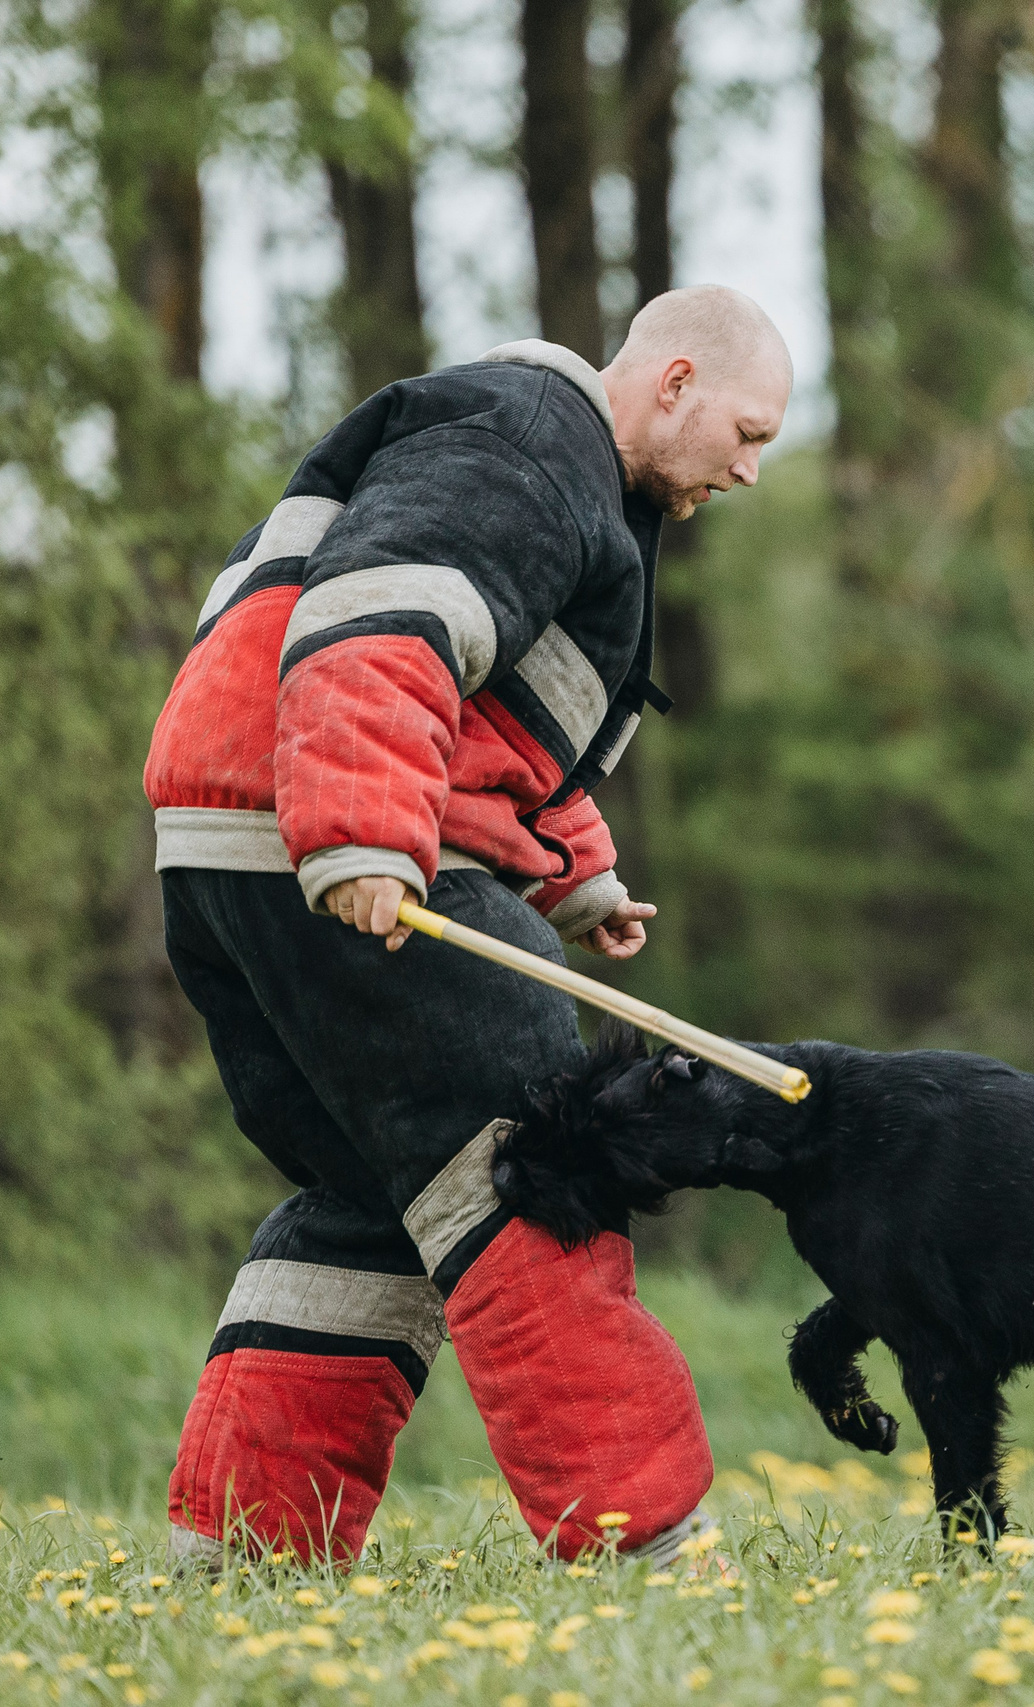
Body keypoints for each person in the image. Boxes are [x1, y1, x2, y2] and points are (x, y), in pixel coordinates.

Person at [141, 285, 792, 1567]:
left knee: (372, 1198)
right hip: (324, 830)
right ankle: (640, 1537)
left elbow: (493, 731)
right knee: (538, 1155)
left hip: (236, 845)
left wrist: (577, 882)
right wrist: (361, 831)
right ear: (670, 383)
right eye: (749, 430)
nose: (754, 470)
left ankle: (248, 1550)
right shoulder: (529, 438)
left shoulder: (555, 470)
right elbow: (382, 611)